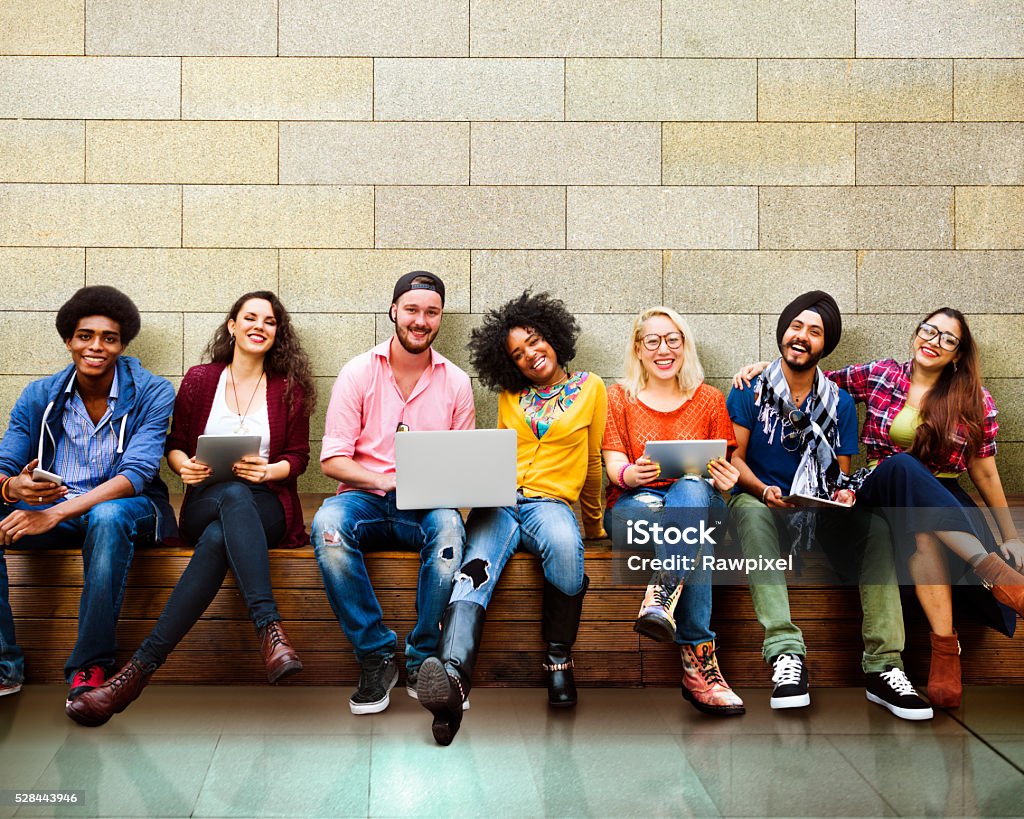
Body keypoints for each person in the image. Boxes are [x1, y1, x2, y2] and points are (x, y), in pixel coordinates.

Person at [738, 308, 1024, 707]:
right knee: (901, 465)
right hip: (877, 487)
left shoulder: (974, 400)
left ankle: (945, 651)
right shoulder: (882, 375)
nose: (933, 341)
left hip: (939, 497)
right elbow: (810, 378)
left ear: (958, 354)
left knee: (925, 532)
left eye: (947, 339)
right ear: (915, 334)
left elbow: (987, 475)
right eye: (929, 330)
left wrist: (1011, 536)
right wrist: (764, 370)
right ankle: (993, 572)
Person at [66, 291, 314, 726]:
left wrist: (270, 471)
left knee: (227, 526)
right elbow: (174, 444)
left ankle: (134, 675)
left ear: (278, 333)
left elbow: (298, 457)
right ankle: (269, 629)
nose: (259, 326)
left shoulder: (289, 387)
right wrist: (185, 468)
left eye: (270, 321)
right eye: (250, 317)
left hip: (267, 504)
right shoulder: (201, 379)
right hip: (206, 499)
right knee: (228, 499)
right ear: (232, 325)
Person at [727, 291, 932, 720]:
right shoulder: (750, 389)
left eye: (815, 332)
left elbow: (838, 473)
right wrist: (765, 490)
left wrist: (838, 496)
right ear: (783, 331)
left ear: (825, 345)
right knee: (746, 508)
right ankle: (785, 656)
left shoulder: (838, 402)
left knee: (876, 527)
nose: (802, 337)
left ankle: (884, 665)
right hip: (765, 505)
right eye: (796, 326)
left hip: (816, 515)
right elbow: (734, 459)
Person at [417, 291, 606, 746]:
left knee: (565, 547)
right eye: (517, 354)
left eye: (535, 341)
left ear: (554, 337)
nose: (529, 355)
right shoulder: (510, 396)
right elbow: (497, 454)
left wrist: (595, 523)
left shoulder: (591, 387)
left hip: (551, 504)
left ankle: (559, 659)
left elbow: (595, 460)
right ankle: (452, 679)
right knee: (472, 571)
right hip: (500, 502)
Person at [0, 286, 176, 714]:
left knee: (108, 515)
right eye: (85, 335)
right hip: (56, 508)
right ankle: (5, 665)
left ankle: (90, 666)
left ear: (122, 344)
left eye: (109, 338)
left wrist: (53, 513)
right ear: (68, 340)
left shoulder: (152, 392)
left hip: (131, 509)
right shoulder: (40, 395)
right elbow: (5, 462)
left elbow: (136, 475)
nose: (96, 346)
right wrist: (12, 489)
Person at [311, 271, 475, 716]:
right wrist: (384, 480)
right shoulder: (358, 372)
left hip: (424, 506)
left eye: (431, 312)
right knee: (327, 525)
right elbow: (332, 461)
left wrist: (445, 484)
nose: (421, 321)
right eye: (412, 310)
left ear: (440, 318)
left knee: (448, 529)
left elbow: (463, 467)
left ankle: (423, 658)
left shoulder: (456, 382)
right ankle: (376, 654)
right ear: (393, 312)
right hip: (364, 498)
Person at [602, 306, 744, 716]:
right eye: (653, 341)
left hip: (701, 502)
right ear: (638, 348)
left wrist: (725, 480)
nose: (664, 349)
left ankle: (661, 595)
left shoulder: (710, 399)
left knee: (691, 489)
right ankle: (699, 666)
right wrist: (632, 474)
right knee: (691, 535)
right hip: (636, 506)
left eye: (673, 340)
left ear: (685, 346)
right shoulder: (619, 398)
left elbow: (724, 469)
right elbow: (614, 469)